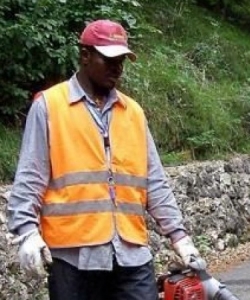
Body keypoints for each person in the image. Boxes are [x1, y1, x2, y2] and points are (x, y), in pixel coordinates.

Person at [7, 19, 205, 300]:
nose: (117, 67)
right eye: (109, 58)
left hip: (131, 254)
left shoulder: (132, 112)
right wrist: (27, 232)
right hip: (73, 259)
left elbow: (154, 182)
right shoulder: (50, 106)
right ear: (85, 56)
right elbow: (29, 178)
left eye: (122, 60)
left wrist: (180, 237)